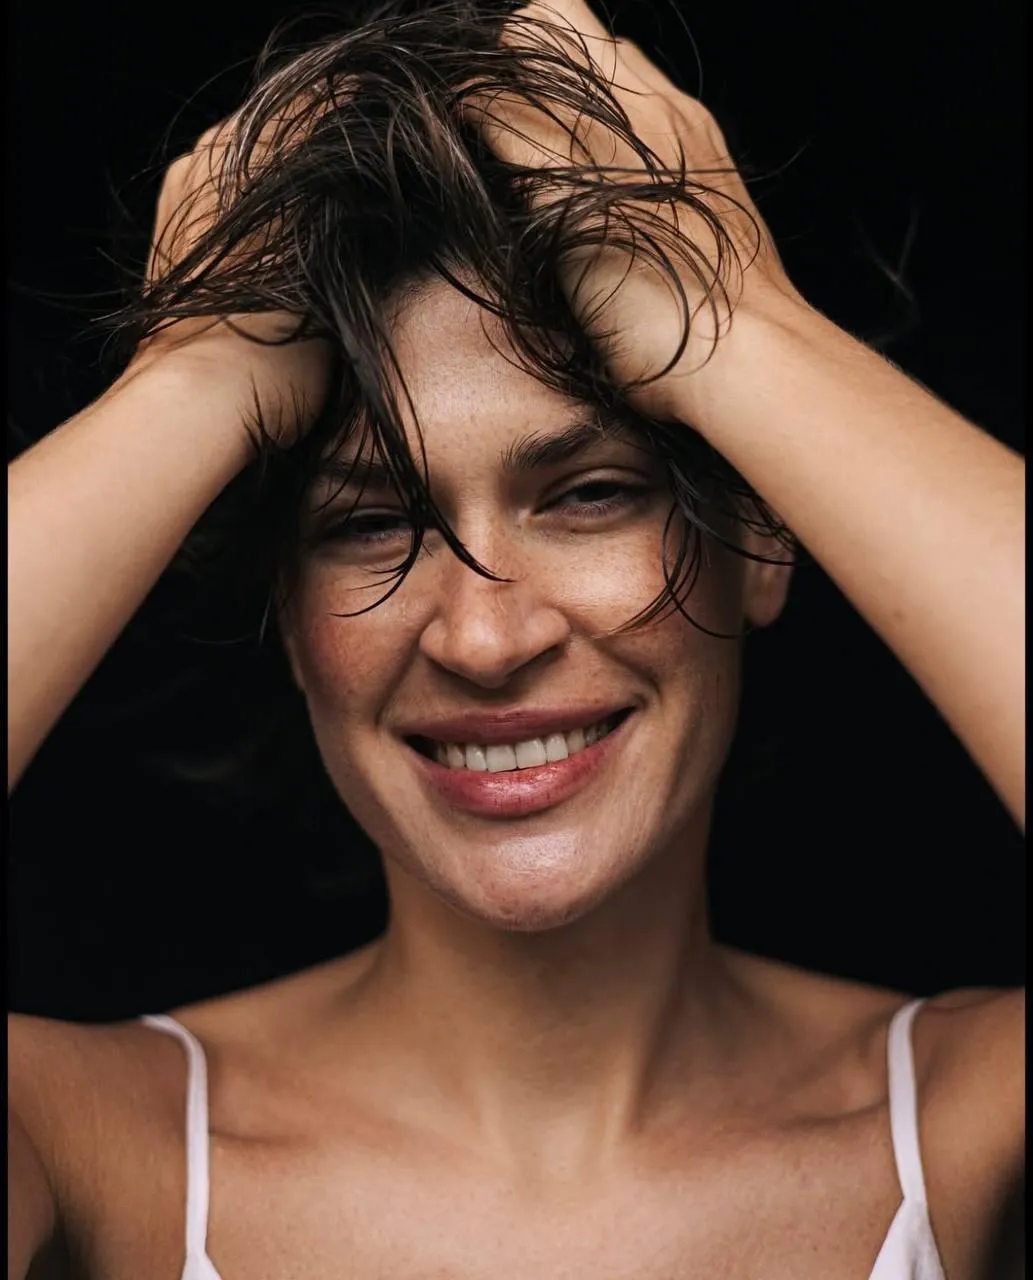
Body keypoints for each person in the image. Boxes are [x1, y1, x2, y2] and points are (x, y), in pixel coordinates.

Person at [8, 1, 1023, 1277]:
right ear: (285, 602)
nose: (484, 635)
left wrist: (749, 337)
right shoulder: (94, 1149)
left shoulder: (972, 1127)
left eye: (591, 492)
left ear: (764, 537)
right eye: (371, 522)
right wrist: (195, 376)